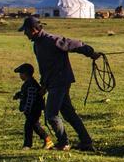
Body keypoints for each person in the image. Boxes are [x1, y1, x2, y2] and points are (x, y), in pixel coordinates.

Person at [18, 15, 100, 151]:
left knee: (51, 114)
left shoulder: (52, 40)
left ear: (33, 30)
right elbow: (44, 68)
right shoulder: (37, 45)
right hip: (52, 83)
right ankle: (86, 142)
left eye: (25, 31)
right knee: (69, 114)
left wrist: (91, 53)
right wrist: (43, 85)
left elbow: (75, 44)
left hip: (60, 82)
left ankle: (63, 143)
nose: (25, 34)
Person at [12, 63, 53, 150]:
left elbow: (31, 98)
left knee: (28, 126)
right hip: (32, 110)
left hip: (33, 110)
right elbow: (25, 94)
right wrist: (19, 95)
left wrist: (27, 109)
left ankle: (27, 145)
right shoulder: (28, 83)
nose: (20, 76)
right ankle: (47, 140)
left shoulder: (31, 84)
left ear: (25, 74)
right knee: (35, 126)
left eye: (21, 74)